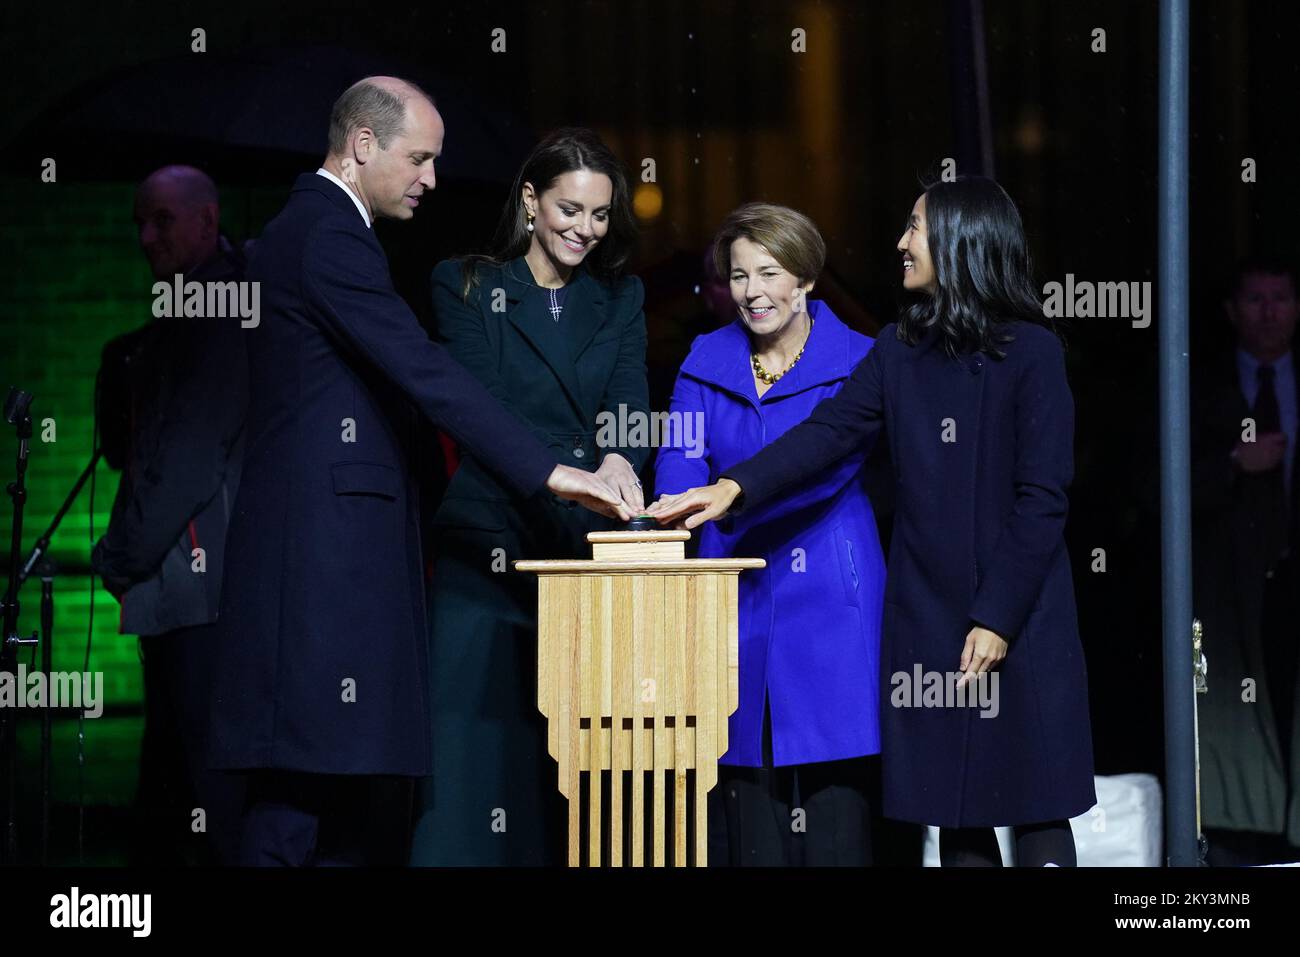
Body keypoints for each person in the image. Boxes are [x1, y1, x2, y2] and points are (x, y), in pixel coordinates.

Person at [209, 77, 629, 867]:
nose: (431, 179)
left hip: (327, 553)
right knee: (303, 791)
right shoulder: (328, 235)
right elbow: (424, 373)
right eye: (420, 158)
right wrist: (553, 473)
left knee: (327, 784)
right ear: (363, 144)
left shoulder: (317, 231)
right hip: (323, 560)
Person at [649, 176, 1096, 867]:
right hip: (929, 616)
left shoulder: (1031, 352)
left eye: (914, 228)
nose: (900, 242)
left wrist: (998, 618)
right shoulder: (897, 350)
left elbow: (1042, 499)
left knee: (1035, 806)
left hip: (1018, 615)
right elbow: (826, 434)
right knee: (956, 811)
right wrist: (733, 486)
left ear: (961, 240)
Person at [409, 128, 649, 866]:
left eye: (600, 215)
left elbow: (628, 396)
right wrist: (573, 477)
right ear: (530, 202)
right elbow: (482, 412)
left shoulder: (619, 295)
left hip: (583, 553)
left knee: (572, 777)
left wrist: (619, 454)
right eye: (570, 209)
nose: (585, 228)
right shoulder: (466, 283)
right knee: (471, 766)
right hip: (487, 548)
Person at [654, 203, 886, 866]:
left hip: (832, 593)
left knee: (835, 800)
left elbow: (832, 467)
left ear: (806, 279)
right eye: (739, 275)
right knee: (744, 785)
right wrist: (677, 495)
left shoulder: (860, 359)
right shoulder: (706, 353)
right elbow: (682, 447)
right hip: (732, 585)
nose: (752, 291)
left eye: (769, 273)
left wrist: (728, 499)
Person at [92, 165, 249, 865]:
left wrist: (118, 556)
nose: (145, 235)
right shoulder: (186, 313)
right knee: (179, 793)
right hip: (186, 589)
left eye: (162, 219)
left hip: (198, 590)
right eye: (139, 221)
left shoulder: (216, 309)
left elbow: (185, 460)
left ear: (208, 221)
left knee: (197, 794)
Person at [1195, 256, 1300, 865]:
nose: (1268, 311)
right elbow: (1151, 483)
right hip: (1231, 596)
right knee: (1239, 717)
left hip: (1293, 583)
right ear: (1233, 311)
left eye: (1280, 298)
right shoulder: (1200, 386)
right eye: (1255, 298)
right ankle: (1250, 842)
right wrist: (1234, 462)